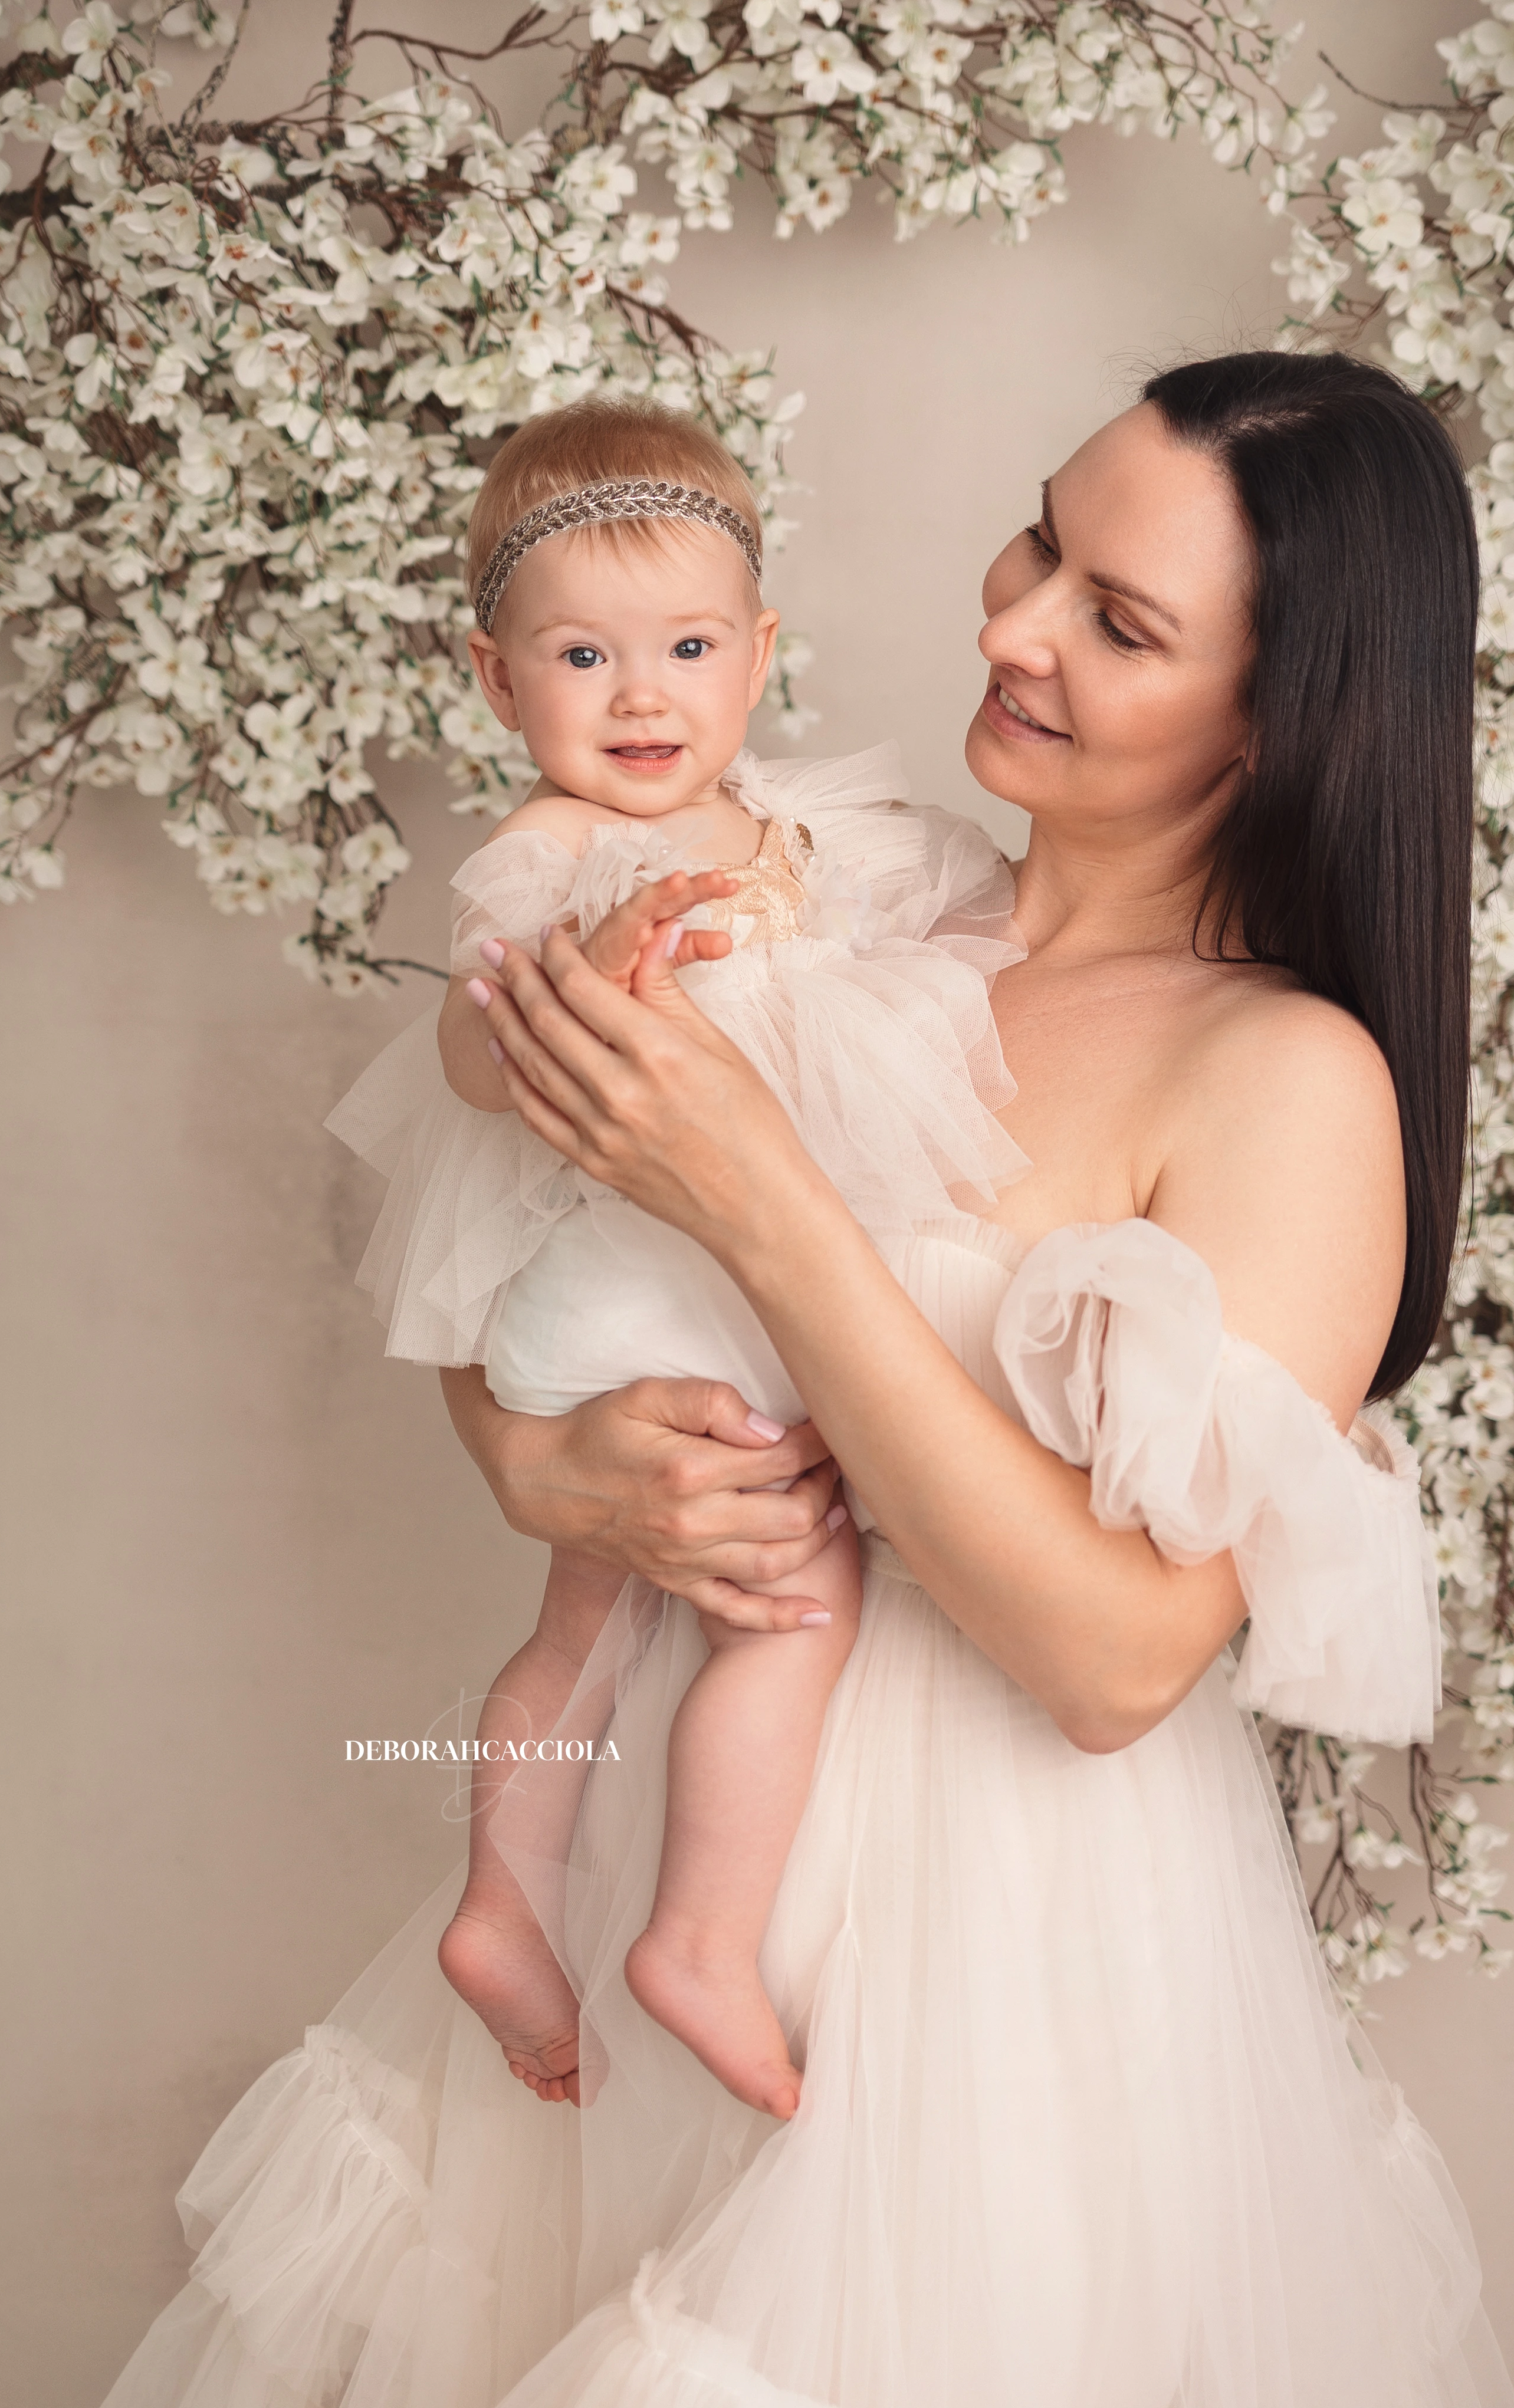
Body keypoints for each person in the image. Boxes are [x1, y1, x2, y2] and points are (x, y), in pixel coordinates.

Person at [98, 351, 1514, 2408]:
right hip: (652, 1879)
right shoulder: (861, 887)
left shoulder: (1279, 1078)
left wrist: (767, 1205)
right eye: (1036, 541)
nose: (1011, 620)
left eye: (1116, 620)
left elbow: (1121, 1657)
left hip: (991, 1971)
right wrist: (548, 1462)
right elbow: (527, 1257)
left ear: (1279, 716)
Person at [326, 398, 1024, 2123]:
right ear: (498, 682)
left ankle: (504, 1906)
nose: (642, 698)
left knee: (583, 1622)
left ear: (760, 651)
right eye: (582, 655)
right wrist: (583, 975)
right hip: (668, 1295)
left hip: (647, 1304)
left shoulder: (795, 827)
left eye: (689, 646)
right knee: (801, 1597)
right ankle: (698, 1937)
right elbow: (475, 1062)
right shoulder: (557, 856)